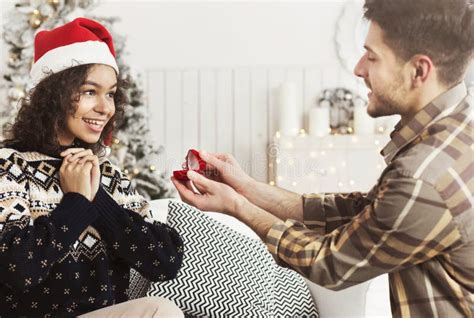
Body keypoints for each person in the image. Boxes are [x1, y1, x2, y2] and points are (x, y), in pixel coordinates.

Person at [172, 0, 474, 316]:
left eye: (372, 56)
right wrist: (246, 187)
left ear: (419, 71)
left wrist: (236, 206)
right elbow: (360, 213)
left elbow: (330, 264)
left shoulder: (422, 176)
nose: (359, 68)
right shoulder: (455, 129)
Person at [0, 18, 184, 317]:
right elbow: (19, 270)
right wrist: (75, 202)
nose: (105, 107)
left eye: (110, 93)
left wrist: (95, 195)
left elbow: (164, 261)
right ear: (53, 96)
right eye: (89, 91)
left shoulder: (105, 172)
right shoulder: (10, 164)